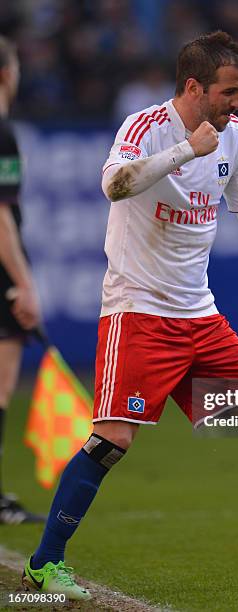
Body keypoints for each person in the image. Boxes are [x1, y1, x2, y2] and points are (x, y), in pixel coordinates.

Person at [23, 31, 238, 600]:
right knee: (111, 440)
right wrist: (188, 149)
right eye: (229, 92)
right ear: (194, 87)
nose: (237, 103)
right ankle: (44, 564)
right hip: (138, 314)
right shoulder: (145, 127)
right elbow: (114, 185)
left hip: (201, 318)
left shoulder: (235, 137)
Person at [0, 36, 45, 525]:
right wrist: (24, 283)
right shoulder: (2, 133)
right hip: (0, 276)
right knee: (1, 384)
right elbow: (1, 216)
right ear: (8, 74)